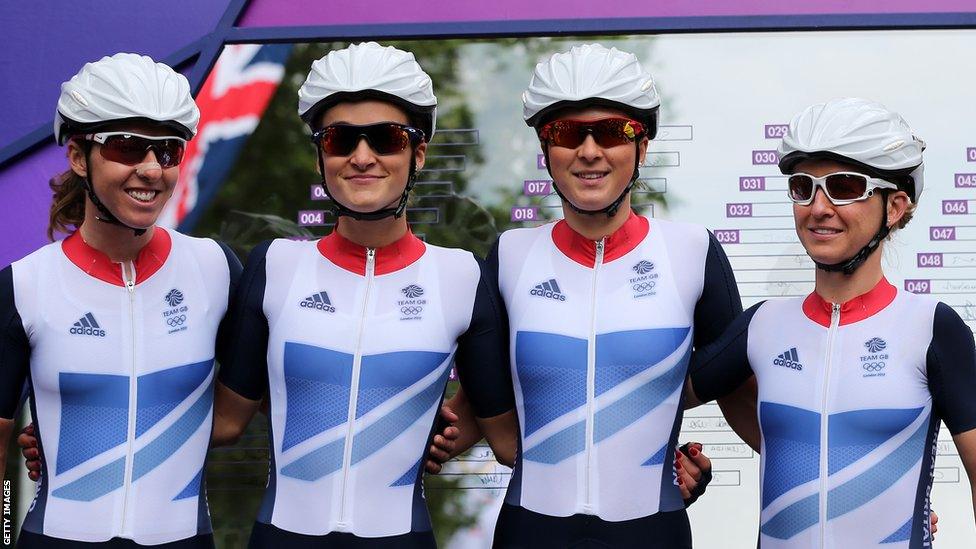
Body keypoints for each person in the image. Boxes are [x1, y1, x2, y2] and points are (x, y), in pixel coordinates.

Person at [436, 43, 758, 548]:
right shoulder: (510, 255)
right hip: (530, 531)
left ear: (642, 147)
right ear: (546, 149)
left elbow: (749, 405)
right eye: (566, 132)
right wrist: (412, 439)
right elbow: (476, 408)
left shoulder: (693, 252)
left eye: (612, 131)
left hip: (653, 529)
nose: (590, 150)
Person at [209, 42, 517, 547]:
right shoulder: (276, 265)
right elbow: (224, 421)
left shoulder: (461, 276)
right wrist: (65, 435)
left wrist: (664, 465)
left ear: (417, 153)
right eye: (340, 139)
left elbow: (510, 438)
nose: (362, 157)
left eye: (386, 138)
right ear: (319, 157)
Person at [688, 97, 976, 547]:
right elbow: (644, 397)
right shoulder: (763, 325)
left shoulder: (932, 328)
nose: (818, 207)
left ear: (895, 206)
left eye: (844, 186)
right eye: (804, 187)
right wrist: (673, 466)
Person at [0, 53, 240, 547]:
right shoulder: (23, 286)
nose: (152, 169)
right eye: (129, 148)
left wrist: (441, 426)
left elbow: (254, 408)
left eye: (168, 151)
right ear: (76, 155)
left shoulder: (216, 269)